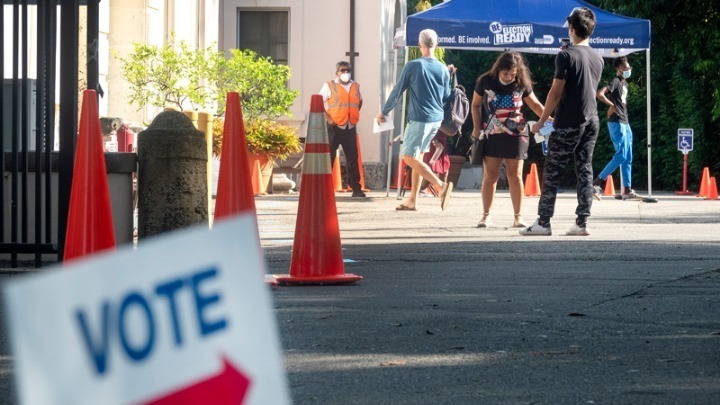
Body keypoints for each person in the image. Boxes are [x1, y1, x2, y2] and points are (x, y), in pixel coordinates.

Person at [524, 7, 604, 236]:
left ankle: (543, 222)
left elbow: (555, 92)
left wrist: (540, 121)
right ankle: (582, 222)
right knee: (585, 169)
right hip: (592, 120)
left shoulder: (566, 55)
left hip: (569, 121)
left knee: (552, 171)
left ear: (571, 28)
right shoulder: (598, 57)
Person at [377, 29, 454, 211]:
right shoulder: (443, 68)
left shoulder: (413, 65)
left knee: (408, 157)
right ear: (436, 45)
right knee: (418, 157)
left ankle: (440, 186)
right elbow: (446, 96)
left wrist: (385, 111)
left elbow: (398, 90)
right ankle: (412, 200)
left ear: (420, 45)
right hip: (437, 119)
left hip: (420, 118)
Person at [471, 51, 548, 228]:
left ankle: (518, 216)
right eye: (505, 74)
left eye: (513, 74)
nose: (509, 77)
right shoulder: (485, 80)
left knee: (516, 175)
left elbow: (535, 104)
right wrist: (476, 128)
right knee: (490, 175)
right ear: (498, 69)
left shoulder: (521, 82)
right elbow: (475, 105)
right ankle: (486, 215)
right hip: (493, 132)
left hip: (517, 132)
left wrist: (546, 118)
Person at [320, 61, 365, 198]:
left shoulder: (355, 86)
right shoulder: (329, 85)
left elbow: (360, 102)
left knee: (352, 159)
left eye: (348, 70)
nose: (346, 73)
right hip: (334, 127)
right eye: (343, 70)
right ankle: (323, 189)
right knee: (329, 158)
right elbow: (319, 102)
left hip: (350, 126)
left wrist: (353, 115)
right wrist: (328, 118)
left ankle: (356, 189)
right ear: (337, 73)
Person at [594, 56, 637, 200]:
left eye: (629, 68)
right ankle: (596, 183)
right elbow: (599, 94)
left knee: (628, 157)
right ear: (618, 69)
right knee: (621, 155)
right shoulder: (615, 81)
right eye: (626, 69)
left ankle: (627, 190)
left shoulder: (624, 84)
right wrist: (611, 106)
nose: (628, 70)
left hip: (625, 122)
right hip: (616, 122)